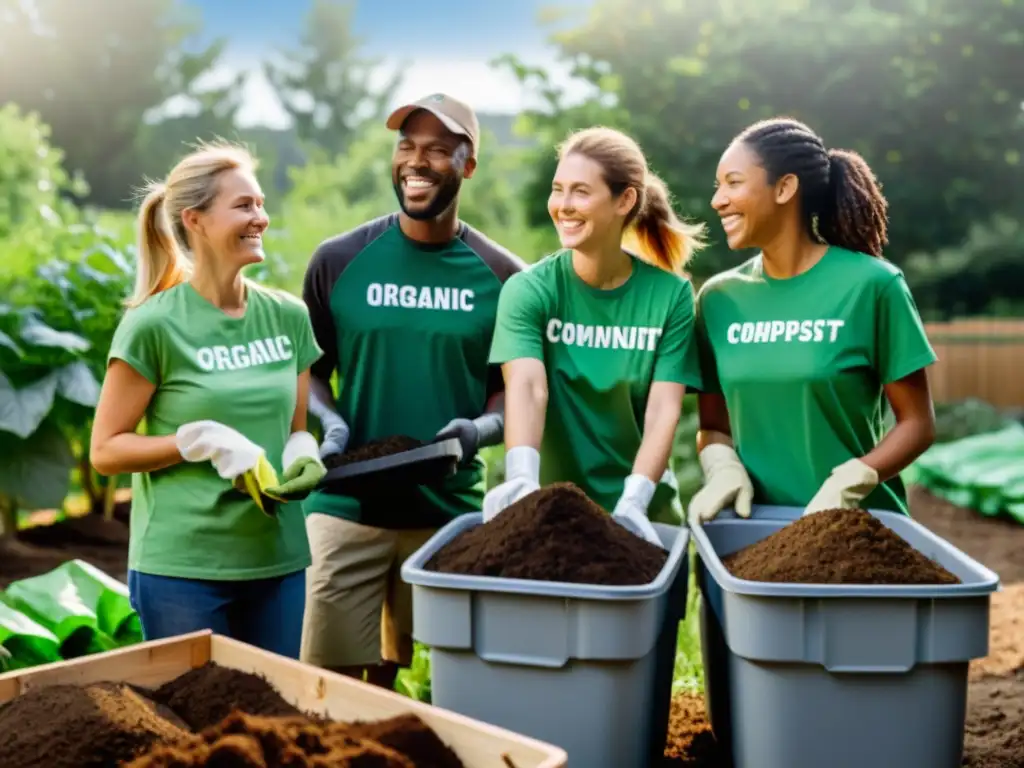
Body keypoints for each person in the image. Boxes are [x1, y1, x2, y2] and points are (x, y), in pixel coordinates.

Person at [299, 93, 526, 689]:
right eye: (406, 147)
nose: (415, 162)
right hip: (346, 501)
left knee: (422, 679)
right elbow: (311, 370)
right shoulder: (339, 261)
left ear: (468, 164)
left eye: (435, 150)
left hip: (447, 510)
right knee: (327, 681)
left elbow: (514, 392)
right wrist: (332, 424)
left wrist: (480, 431)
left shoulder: (505, 278)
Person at [89, 141, 327, 658]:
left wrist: (303, 453)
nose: (260, 218)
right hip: (184, 570)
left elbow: (296, 427)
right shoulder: (154, 325)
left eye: (261, 204)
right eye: (244, 206)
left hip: (278, 561)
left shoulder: (288, 317)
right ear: (194, 220)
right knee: (195, 726)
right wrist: (196, 440)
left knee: (276, 720)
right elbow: (106, 451)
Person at [688, 117, 937, 524]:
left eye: (733, 183)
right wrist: (721, 467)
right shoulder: (718, 300)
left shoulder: (873, 285)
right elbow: (714, 426)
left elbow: (917, 424)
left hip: (859, 531)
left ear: (784, 188)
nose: (717, 200)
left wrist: (851, 481)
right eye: (718, 186)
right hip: (753, 534)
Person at [482, 126, 707, 542]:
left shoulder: (670, 296)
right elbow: (528, 389)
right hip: (548, 519)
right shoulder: (530, 290)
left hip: (644, 521)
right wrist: (521, 481)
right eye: (558, 189)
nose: (563, 206)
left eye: (581, 192)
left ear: (625, 200)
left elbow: (663, 411)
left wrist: (635, 501)